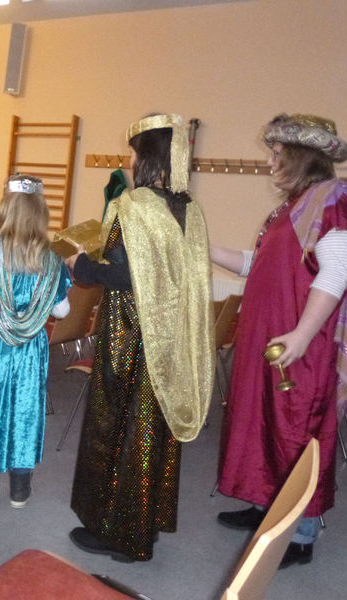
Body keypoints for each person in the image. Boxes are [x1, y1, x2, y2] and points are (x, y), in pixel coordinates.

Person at [212, 114, 347, 568]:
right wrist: (201, 246)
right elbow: (255, 264)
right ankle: (264, 504)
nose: (270, 162)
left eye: (277, 154)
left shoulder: (332, 201)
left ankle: (299, 535)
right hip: (271, 340)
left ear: (301, 157)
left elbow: (336, 271)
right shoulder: (292, 208)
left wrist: (303, 335)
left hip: (300, 346)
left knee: (298, 432)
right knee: (264, 422)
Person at [66, 113, 215, 562]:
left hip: (130, 337)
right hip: (171, 343)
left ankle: (121, 536)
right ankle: (142, 527)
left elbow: (124, 275)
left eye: (132, 153)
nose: (129, 161)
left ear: (147, 157)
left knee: (118, 429)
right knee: (151, 432)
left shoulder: (133, 206)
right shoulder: (190, 211)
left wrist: (81, 265)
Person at [0, 174, 71, 511]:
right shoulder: (51, 259)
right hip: (30, 348)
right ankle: (20, 489)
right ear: (41, 212)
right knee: (24, 410)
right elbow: (62, 311)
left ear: (5, 209)